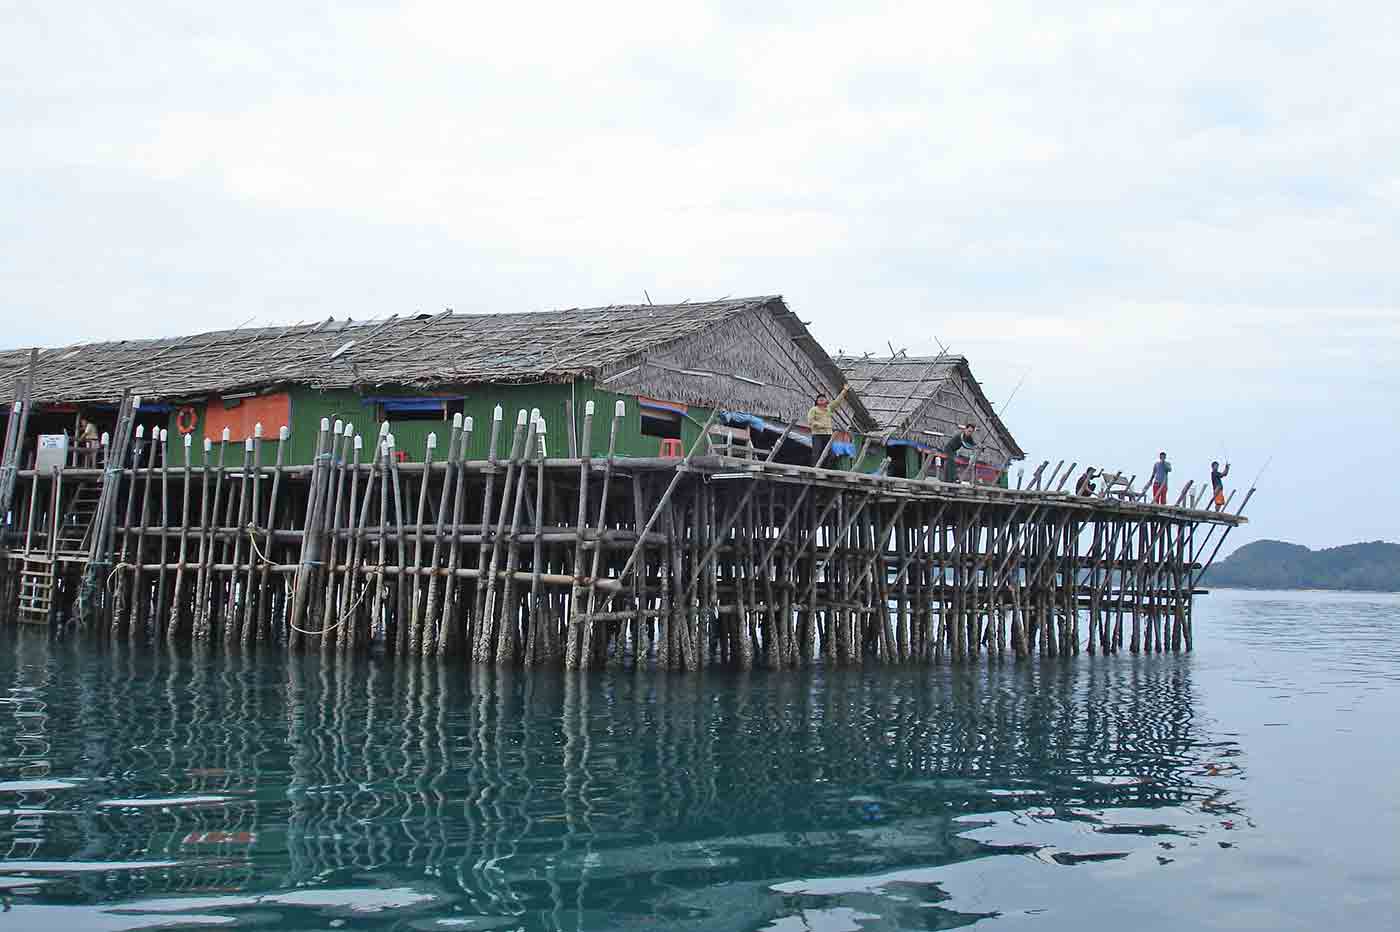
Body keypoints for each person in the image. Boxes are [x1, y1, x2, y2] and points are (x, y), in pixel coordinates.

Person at [806, 384, 850, 468]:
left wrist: (844, 390)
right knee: (817, 452)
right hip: (817, 434)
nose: (821, 400)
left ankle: (827, 468)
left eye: (823, 398)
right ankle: (814, 469)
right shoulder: (814, 410)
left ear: (826, 401)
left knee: (831, 453)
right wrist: (821, 425)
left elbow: (838, 401)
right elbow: (810, 421)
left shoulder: (829, 408)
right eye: (819, 399)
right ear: (817, 401)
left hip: (828, 434)